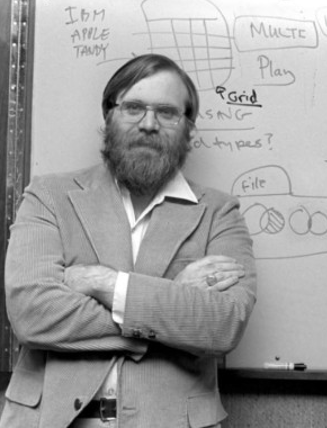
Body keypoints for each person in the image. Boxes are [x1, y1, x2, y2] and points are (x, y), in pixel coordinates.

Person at [0, 54, 257, 428]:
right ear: (109, 115)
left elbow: (223, 324)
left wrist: (102, 283)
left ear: (188, 128)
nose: (149, 124)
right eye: (134, 108)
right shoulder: (49, 196)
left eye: (167, 113)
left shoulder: (219, 212)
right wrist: (169, 303)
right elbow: (31, 315)